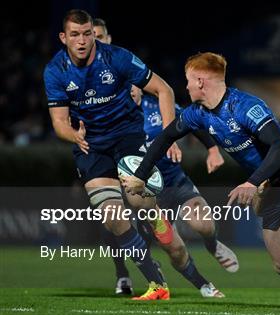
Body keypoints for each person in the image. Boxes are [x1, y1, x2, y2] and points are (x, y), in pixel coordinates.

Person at [122, 52, 280, 312]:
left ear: (201, 81)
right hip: (270, 187)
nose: (186, 86)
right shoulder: (198, 113)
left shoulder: (245, 106)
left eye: (188, 80)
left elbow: (279, 147)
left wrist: (252, 182)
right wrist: (140, 175)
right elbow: (165, 138)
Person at [92, 18, 238, 297]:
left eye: (133, 85)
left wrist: (211, 148)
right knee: (171, 245)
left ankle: (213, 245)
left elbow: (191, 119)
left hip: (173, 179)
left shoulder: (157, 104)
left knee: (203, 223)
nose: (131, 90)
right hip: (146, 193)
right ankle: (202, 285)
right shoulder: (111, 120)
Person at [44, 9, 181, 300]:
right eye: (74, 35)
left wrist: (169, 136)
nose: (81, 41)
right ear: (63, 37)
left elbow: (164, 89)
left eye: (86, 34)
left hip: (127, 135)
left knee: (135, 197)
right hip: (89, 145)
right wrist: (74, 134)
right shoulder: (55, 71)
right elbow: (58, 122)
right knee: (112, 217)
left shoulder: (117, 57)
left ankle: (153, 213)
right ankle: (157, 285)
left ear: (94, 34)